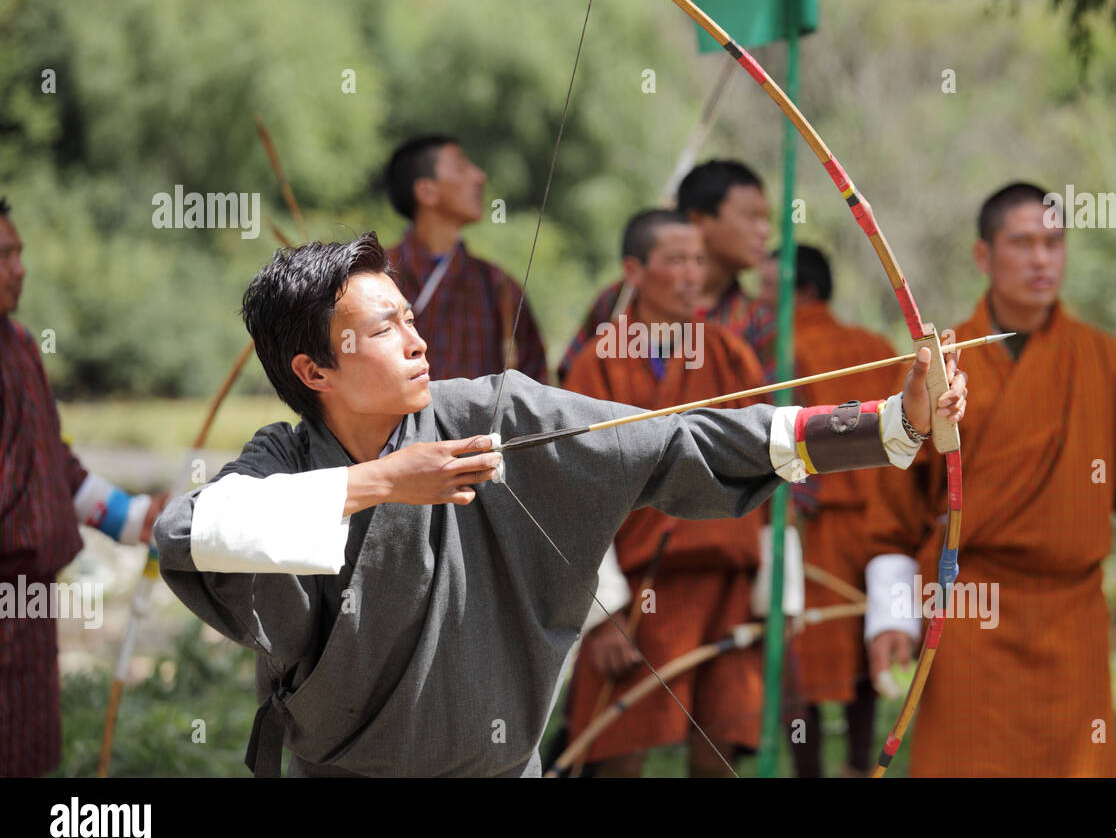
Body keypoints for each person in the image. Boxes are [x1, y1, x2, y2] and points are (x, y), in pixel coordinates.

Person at [153, 232, 968, 777]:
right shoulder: (285, 460)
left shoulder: (491, 416)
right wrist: (388, 482)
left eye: (411, 316)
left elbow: (674, 440)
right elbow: (186, 533)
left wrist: (890, 424)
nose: (417, 340)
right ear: (314, 371)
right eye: (384, 327)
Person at [861, 182, 1116, 777]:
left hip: (1072, 623)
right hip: (968, 616)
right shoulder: (938, 367)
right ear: (983, 256)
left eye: (1054, 242)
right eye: (1023, 243)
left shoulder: (1103, 360)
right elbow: (892, 515)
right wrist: (890, 616)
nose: (1042, 259)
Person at [561, 209, 778, 777]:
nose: (692, 275)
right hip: (637, 588)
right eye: (675, 260)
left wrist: (780, 591)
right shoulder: (596, 363)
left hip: (727, 584)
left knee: (719, 746)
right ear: (634, 270)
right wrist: (605, 613)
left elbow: (770, 466)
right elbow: (573, 491)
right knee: (614, 748)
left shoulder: (731, 355)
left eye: (699, 261)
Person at [0, 197, 166, 776]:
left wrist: (135, 516)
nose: (19, 267)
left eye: (19, 252)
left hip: (30, 597)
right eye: (4, 256)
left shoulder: (20, 346)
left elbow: (53, 464)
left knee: (24, 751)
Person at [761, 244, 905, 778]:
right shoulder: (876, 346)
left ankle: (810, 773)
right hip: (878, 526)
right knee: (864, 636)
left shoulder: (777, 348)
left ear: (801, 291)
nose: (757, 300)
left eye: (766, 290)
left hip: (810, 524)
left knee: (804, 648)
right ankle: (859, 767)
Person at [558, 160, 775, 382]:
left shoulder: (757, 322)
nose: (764, 231)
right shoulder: (624, 298)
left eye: (766, 219)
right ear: (698, 221)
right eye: (751, 217)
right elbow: (573, 388)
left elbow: (771, 410)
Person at [383, 134, 547, 382]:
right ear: (426, 191)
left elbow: (535, 385)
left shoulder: (499, 287)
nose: (480, 177)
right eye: (461, 168)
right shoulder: (374, 277)